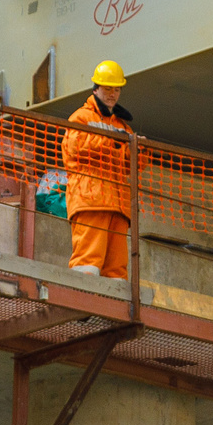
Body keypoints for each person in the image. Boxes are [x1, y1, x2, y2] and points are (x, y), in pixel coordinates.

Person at [61, 60, 135, 278]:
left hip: (117, 205)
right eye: (108, 88)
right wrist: (112, 141)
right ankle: (83, 303)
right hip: (91, 199)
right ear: (96, 88)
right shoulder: (81, 117)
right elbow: (75, 148)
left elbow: (131, 166)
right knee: (88, 261)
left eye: (117, 89)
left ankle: (111, 311)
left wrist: (138, 150)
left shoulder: (123, 126)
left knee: (117, 269)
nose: (112, 94)